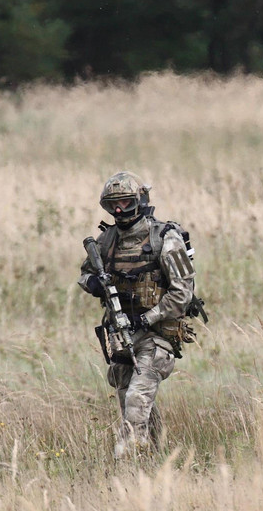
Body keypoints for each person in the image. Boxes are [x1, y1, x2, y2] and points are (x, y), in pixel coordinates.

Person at [79, 171, 198, 458]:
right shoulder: (107, 240)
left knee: (136, 399)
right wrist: (93, 283)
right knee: (130, 399)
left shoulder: (164, 238)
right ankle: (155, 456)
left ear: (140, 201)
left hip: (158, 335)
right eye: (112, 206)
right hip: (122, 335)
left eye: (126, 204)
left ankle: (129, 462)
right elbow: (85, 274)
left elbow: (183, 293)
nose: (119, 212)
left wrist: (146, 318)